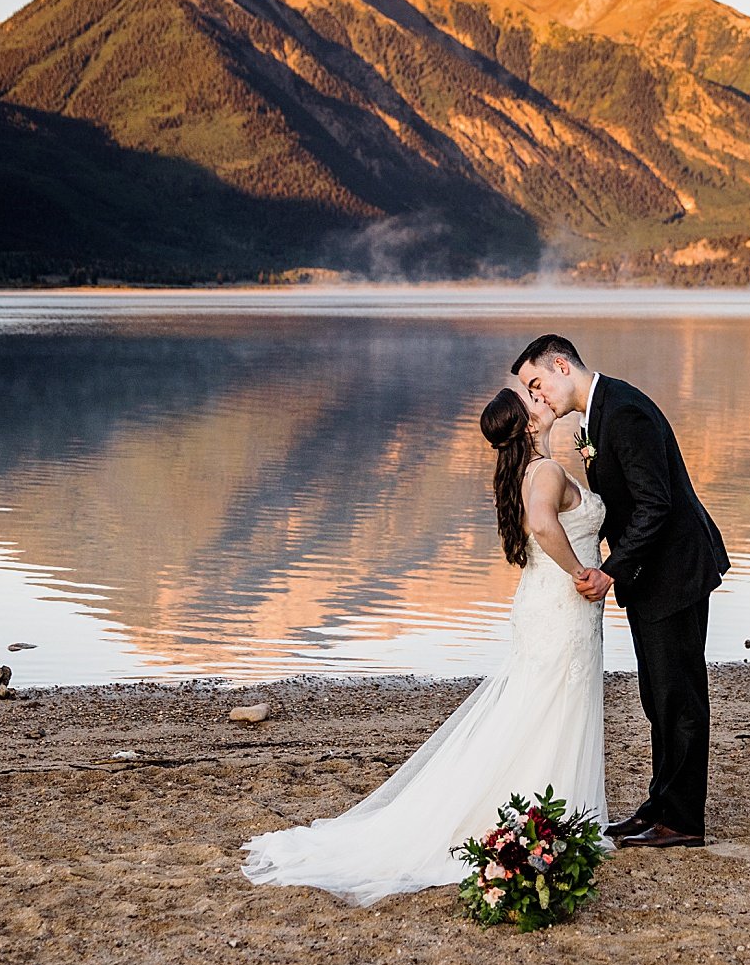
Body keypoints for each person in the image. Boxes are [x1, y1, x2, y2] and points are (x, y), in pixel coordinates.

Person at [241, 386, 610, 905]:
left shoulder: (529, 472)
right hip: (561, 605)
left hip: (545, 607)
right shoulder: (544, 472)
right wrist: (583, 573)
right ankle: (548, 816)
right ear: (527, 426)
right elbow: (547, 525)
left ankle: (555, 814)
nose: (542, 401)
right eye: (533, 403)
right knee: (549, 707)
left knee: (542, 708)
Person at [513, 334, 729, 848]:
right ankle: (659, 806)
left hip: (673, 572)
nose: (537, 397)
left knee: (678, 696)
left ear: (561, 365)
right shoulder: (597, 416)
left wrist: (610, 570)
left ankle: (681, 822)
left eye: (537, 384)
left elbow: (655, 505)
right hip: (649, 576)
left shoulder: (624, 412)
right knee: (657, 695)